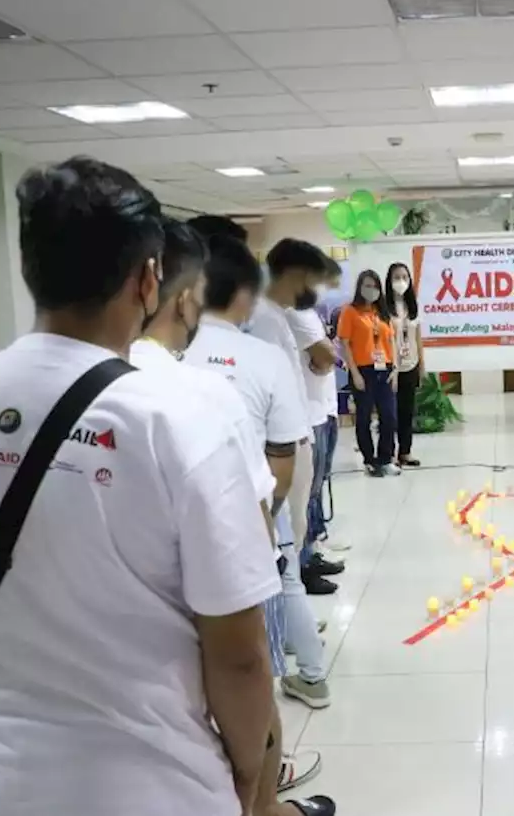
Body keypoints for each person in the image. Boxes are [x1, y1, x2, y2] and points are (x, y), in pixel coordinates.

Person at [0, 157, 281, 816]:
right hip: (162, 789)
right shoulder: (184, 420)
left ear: (31, 271)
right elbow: (239, 654)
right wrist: (254, 779)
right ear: (147, 280)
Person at [136, 219, 331, 812]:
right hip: (217, 588)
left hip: (15, 754)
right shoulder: (206, 393)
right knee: (246, 686)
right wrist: (252, 772)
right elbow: (239, 657)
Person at [183, 231, 334, 716]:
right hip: (256, 495)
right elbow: (282, 453)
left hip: (188, 511)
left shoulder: (170, 358)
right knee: (279, 579)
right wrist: (263, 514)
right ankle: (301, 673)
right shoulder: (260, 347)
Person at [248, 238, 340, 596]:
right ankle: (289, 600)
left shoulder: (277, 314)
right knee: (285, 531)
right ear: (295, 274)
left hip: (298, 433)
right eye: (313, 281)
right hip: (283, 443)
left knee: (296, 526)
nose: (314, 291)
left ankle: (294, 597)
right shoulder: (264, 319)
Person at [281, 250, 347, 591]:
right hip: (307, 413)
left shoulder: (309, 312)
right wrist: (326, 354)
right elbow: (326, 355)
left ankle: (313, 549)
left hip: (323, 407)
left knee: (316, 488)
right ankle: (304, 562)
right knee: (306, 492)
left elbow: (326, 358)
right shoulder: (295, 313)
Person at [338, 270, 398, 477]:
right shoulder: (350, 311)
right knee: (363, 417)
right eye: (367, 286)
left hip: (385, 369)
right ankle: (369, 460)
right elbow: (345, 344)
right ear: (359, 288)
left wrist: (395, 369)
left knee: (389, 416)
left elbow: (391, 341)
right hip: (363, 370)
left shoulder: (382, 312)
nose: (371, 290)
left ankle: (386, 458)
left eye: (374, 286)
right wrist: (354, 373)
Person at [385, 262, 425, 466]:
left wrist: (422, 367)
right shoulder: (384, 308)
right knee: (391, 412)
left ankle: (405, 451)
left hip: (411, 364)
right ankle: (390, 453)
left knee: (407, 411)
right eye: (396, 278)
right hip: (392, 367)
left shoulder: (413, 307)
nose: (401, 282)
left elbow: (418, 339)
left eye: (404, 278)